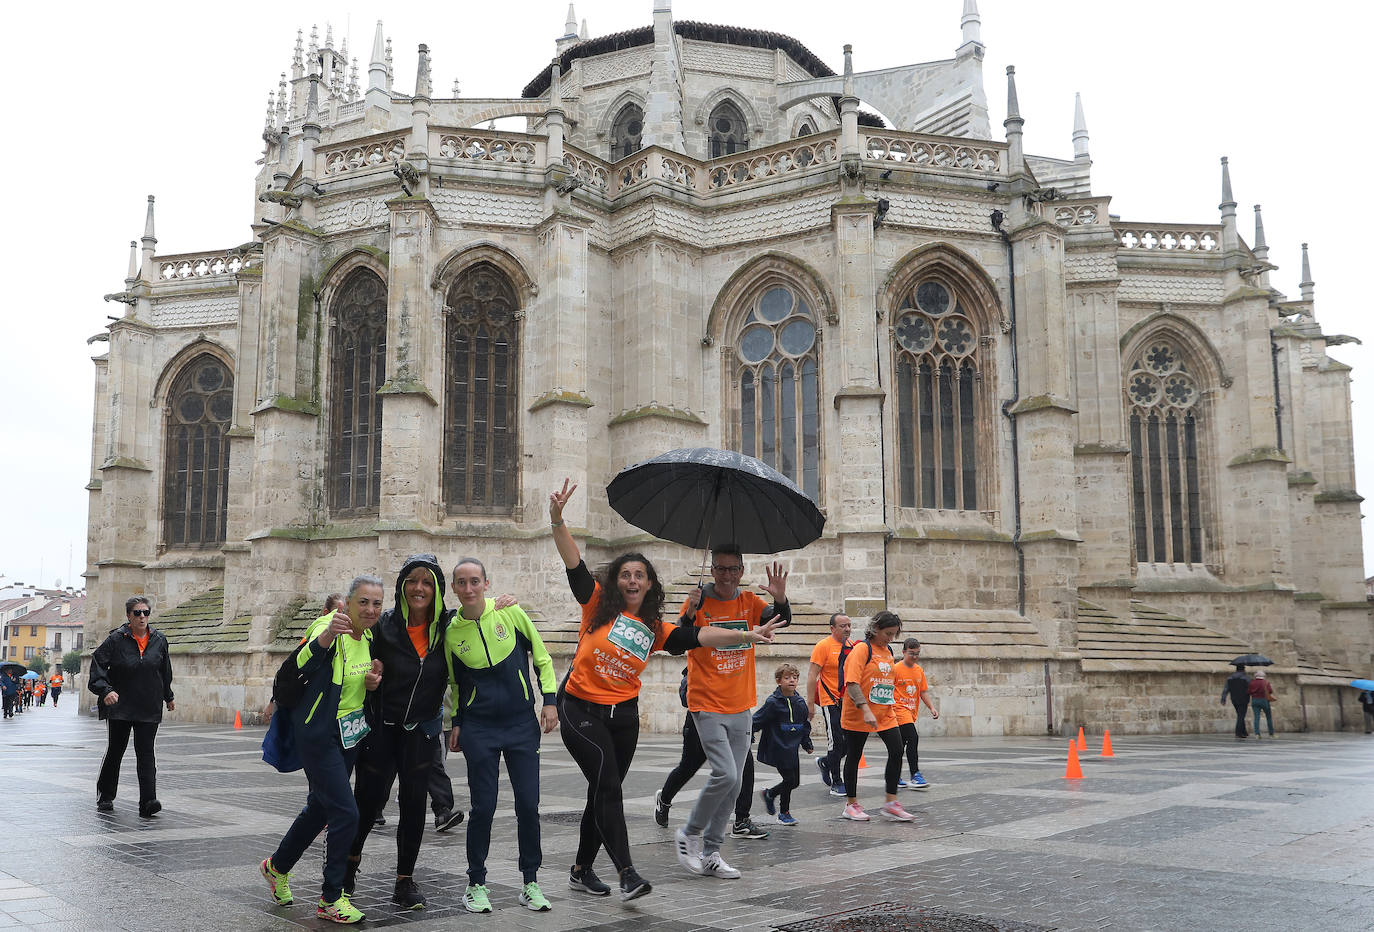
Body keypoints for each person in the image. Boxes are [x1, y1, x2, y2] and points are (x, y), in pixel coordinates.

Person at [548, 479, 778, 901]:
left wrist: (748, 635)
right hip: (580, 709)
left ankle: (581, 869)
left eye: (640, 575)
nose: (632, 580)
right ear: (616, 581)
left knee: (601, 790)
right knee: (608, 787)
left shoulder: (656, 629)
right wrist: (558, 519)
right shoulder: (596, 603)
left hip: (625, 716)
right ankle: (627, 873)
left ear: (650, 585)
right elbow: (574, 564)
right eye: (626, 574)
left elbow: (702, 637)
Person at [260, 575, 385, 925]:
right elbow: (298, 665)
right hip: (319, 735)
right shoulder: (327, 628)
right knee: (346, 813)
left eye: (377, 603)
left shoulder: (370, 637)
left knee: (319, 808)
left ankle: (276, 866)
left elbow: (357, 683)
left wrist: (372, 682)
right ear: (348, 602)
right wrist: (328, 634)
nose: (371, 609)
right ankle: (331, 899)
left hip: (350, 736)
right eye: (364, 602)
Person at [445, 557, 558, 914]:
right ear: (454, 589)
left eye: (474, 581)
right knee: (484, 807)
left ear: (486, 584)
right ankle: (476, 883)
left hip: (521, 725)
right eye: (461, 582)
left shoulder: (510, 613)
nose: (468, 588)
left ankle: (530, 882)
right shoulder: (451, 632)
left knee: (528, 804)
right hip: (479, 728)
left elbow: (541, 657)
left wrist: (550, 700)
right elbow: (456, 683)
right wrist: (457, 721)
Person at [345, 554, 454, 911]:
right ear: (401, 586)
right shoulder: (384, 626)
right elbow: (361, 662)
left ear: (436, 588)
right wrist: (370, 682)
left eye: (427, 581)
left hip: (421, 733)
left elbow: (481, 619)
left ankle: (404, 882)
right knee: (367, 801)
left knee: (413, 806)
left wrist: (504, 604)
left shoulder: (447, 628)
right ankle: (347, 870)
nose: (418, 588)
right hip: (383, 729)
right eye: (412, 581)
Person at [675, 543, 791, 880]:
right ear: (712, 570)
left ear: (741, 571)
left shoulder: (749, 602)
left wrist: (781, 599)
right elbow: (680, 639)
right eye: (721, 569)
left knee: (736, 781)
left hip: (741, 703)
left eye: (733, 569)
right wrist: (689, 612)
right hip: (706, 701)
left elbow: (781, 621)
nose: (727, 575)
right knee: (725, 774)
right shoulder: (698, 601)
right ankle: (690, 833)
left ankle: (711, 852)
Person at [655, 667, 768, 839]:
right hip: (702, 720)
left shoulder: (737, 657)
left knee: (745, 764)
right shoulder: (702, 657)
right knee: (688, 767)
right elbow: (686, 697)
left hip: (733, 715)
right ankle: (664, 798)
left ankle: (741, 820)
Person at [89, 597, 175, 818]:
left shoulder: (159, 639)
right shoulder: (116, 639)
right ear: (128, 616)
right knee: (116, 750)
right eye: (137, 613)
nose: (142, 617)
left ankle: (148, 801)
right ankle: (105, 795)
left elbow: (165, 670)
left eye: (146, 612)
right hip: (120, 705)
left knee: (146, 753)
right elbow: (97, 665)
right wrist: (106, 690)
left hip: (148, 705)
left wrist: (168, 696)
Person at [840, 611, 915, 823]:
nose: (890, 638)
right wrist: (865, 709)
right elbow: (852, 683)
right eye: (887, 633)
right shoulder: (862, 649)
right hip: (859, 712)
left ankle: (891, 803)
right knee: (854, 755)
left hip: (884, 712)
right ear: (875, 629)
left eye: (893, 634)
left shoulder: (888, 650)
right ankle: (851, 805)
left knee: (897, 749)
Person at [754, 663, 813, 825]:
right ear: (779, 681)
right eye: (787, 678)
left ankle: (770, 794)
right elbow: (758, 719)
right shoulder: (773, 702)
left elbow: (804, 724)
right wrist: (748, 733)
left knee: (795, 782)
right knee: (788, 780)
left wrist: (806, 743)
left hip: (792, 748)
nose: (792, 681)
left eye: (794, 677)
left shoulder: (800, 702)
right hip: (778, 747)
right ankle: (784, 813)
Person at [808, 613, 854, 798]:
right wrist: (810, 703)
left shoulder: (852, 647)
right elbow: (812, 675)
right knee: (835, 741)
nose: (847, 629)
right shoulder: (823, 646)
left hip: (849, 702)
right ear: (832, 628)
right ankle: (836, 781)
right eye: (843, 626)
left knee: (850, 743)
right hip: (830, 701)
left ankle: (826, 762)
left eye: (849, 625)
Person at [893, 638, 938, 789]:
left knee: (899, 746)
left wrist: (932, 707)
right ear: (904, 652)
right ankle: (915, 775)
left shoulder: (918, 670)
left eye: (917, 654)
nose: (915, 657)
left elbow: (923, 691)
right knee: (913, 738)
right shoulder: (896, 669)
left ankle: (894, 776)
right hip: (899, 710)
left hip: (911, 711)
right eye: (911, 653)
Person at [1221, 665, 1251, 740]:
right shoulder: (1246, 678)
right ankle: (1238, 733)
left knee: (1240, 715)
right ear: (1243, 670)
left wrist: (1223, 699)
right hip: (1244, 699)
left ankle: (1244, 732)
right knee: (1241, 715)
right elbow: (1250, 688)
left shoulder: (1230, 678)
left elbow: (1226, 689)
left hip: (1234, 699)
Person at [1248, 670, 1275, 739]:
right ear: (1263, 676)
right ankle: (1271, 734)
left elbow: (1249, 692)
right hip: (1264, 700)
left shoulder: (1252, 682)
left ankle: (1257, 734)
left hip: (1254, 700)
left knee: (1256, 717)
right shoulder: (1266, 682)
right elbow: (1270, 691)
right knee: (1268, 717)